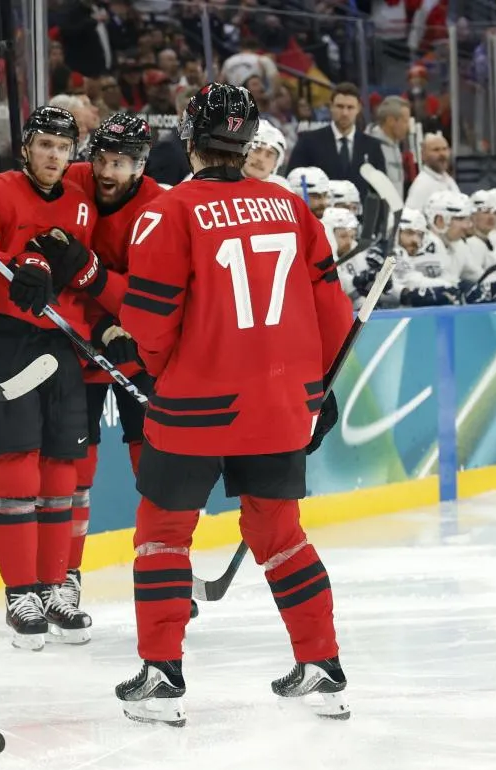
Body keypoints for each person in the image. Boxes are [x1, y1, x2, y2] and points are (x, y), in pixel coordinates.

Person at [116, 83, 355, 726]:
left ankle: (162, 673)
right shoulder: (289, 208)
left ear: (189, 140)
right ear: (247, 140)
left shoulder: (171, 211)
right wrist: (317, 392)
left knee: (164, 536)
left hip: (194, 406)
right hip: (279, 406)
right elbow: (335, 312)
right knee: (280, 533)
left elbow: (150, 323)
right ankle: (323, 666)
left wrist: (159, 375)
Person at [0, 105, 106, 650]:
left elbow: (80, 287)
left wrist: (92, 330)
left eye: (63, 148)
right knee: (17, 473)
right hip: (5, 344)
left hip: (60, 345)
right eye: (45, 146)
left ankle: (56, 585)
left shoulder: (81, 206)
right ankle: (21, 594)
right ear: (27, 147)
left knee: (63, 473)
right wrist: (18, 262)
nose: (55, 157)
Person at [63, 112, 198, 623]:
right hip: (77, 346)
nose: (106, 170)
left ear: (140, 166)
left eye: (119, 162)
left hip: (137, 350)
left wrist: (123, 326)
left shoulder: (159, 207)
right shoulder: (74, 184)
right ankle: (65, 579)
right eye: (100, 158)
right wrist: (96, 325)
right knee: (76, 473)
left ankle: (167, 570)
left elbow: (152, 294)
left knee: (157, 465)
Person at [285, 83, 387, 201]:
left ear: (358, 109)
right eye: (340, 106)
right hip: (319, 217)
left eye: (350, 107)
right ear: (331, 107)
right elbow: (292, 183)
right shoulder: (308, 142)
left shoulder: (372, 146)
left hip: (362, 217)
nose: (344, 113)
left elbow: (381, 192)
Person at [242, 120, 289, 190]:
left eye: (269, 155)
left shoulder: (284, 190)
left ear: (276, 164)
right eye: (256, 150)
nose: (261, 158)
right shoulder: (222, 181)